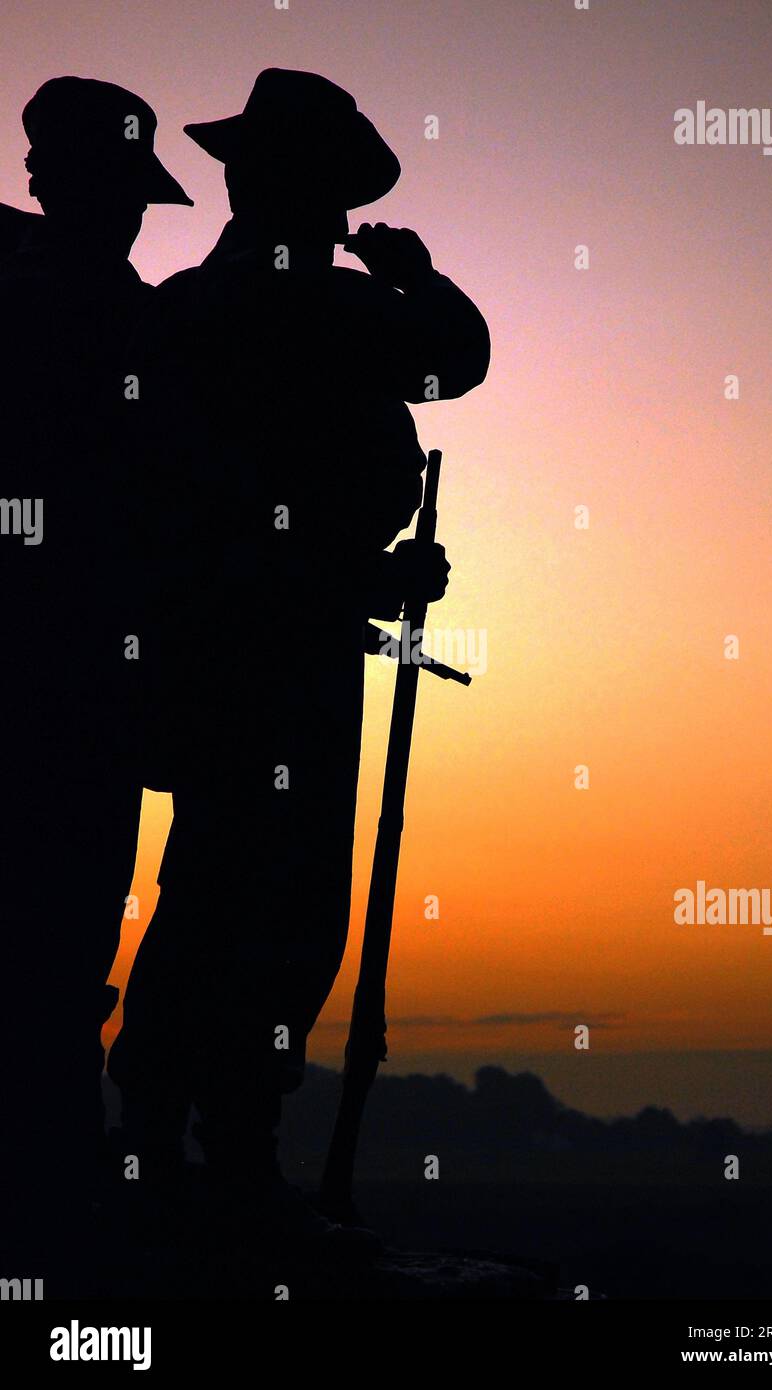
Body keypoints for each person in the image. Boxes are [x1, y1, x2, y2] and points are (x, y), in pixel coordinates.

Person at [108, 69, 489, 1256]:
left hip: (224, 648)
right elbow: (455, 355)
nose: (337, 225)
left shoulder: (184, 306)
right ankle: (226, 1163)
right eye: (326, 199)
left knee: (213, 890)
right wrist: (413, 273)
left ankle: (172, 1146)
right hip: (281, 654)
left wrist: (354, 578)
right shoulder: (316, 309)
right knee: (272, 906)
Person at [0, 77, 192, 1268]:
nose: (125, 218)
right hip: (56, 672)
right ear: (48, 185)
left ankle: (54, 1180)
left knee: (68, 944)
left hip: (93, 679)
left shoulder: (131, 316)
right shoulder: (67, 309)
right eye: (111, 191)